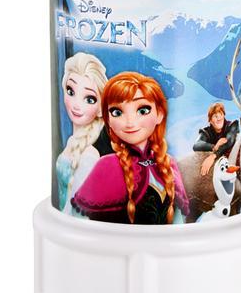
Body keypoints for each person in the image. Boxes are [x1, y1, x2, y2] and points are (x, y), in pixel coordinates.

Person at [71, 72, 189, 224]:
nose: (130, 122)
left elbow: (179, 219)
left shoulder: (168, 163)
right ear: (108, 120)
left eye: (142, 110)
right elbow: (80, 219)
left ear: (159, 114)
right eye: (117, 112)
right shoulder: (107, 165)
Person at [55, 53, 110, 214]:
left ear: (100, 109)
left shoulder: (89, 155)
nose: (76, 105)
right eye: (71, 91)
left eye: (89, 99)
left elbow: (77, 208)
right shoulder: (73, 142)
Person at [193, 102, 239, 176]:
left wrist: (213, 156)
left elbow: (229, 142)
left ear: (224, 116)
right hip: (218, 171)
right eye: (215, 116)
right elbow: (196, 145)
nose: (219, 118)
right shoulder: (206, 132)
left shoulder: (232, 125)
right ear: (210, 120)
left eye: (221, 114)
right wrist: (214, 146)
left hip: (235, 165)